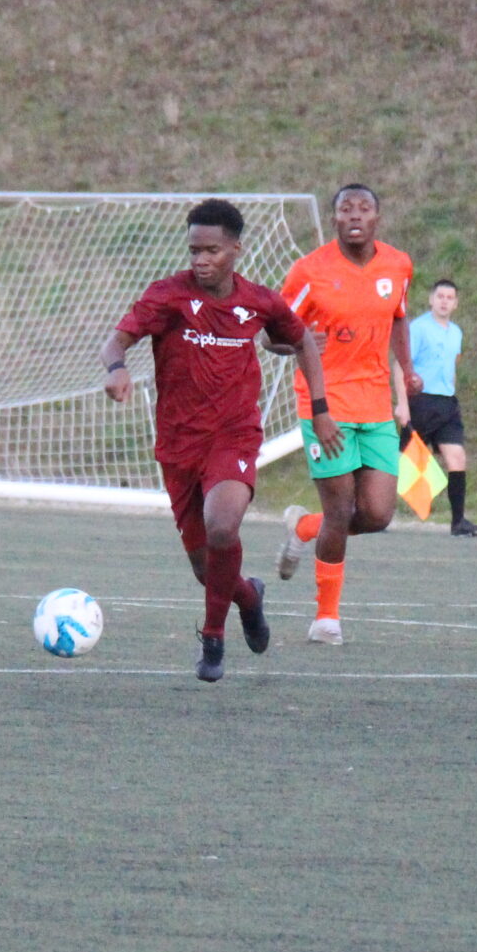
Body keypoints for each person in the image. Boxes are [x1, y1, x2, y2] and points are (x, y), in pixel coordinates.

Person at [103, 199, 340, 683]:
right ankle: (249, 597)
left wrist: (320, 410)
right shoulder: (167, 296)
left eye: (211, 250)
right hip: (177, 446)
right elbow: (116, 340)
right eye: (194, 250)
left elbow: (297, 341)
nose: (201, 260)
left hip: (233, 435)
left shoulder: (259, 301)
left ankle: (214, 639)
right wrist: (116, 367)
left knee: (221, 527)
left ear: (236, 249)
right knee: (203, 567)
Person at [270, 183, 419, 645]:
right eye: (345, 209)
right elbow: (268, 334)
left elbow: (397, 316)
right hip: (324, 406)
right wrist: (296, 343)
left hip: (375, 405)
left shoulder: (397, 265)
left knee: (376, 514)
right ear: (334, 219)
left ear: (377, 217)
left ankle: (303, 527)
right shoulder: (309, 271)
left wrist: (408, 369)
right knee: (341, 509)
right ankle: (326, 618)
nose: (355, 215)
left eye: (364, 208)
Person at [405, 277, 477, 536]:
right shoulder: (418, 328)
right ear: (431, 299)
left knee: (457, 457)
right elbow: (403, 365)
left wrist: (451, 393)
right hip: (420, 401)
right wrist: (403, 404)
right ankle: (365, 508)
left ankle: (458, 522)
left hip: (446, 404)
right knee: (404, 462)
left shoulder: (457, 332)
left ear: (456, 303)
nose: (444, 302)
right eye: (440, 296)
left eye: (449, 298)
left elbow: (452, 367)